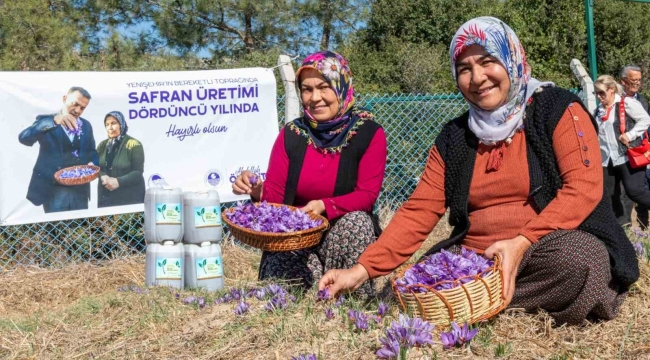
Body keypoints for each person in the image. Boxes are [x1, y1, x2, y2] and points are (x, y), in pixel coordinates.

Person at [318, 17, 639, 325]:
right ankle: (482, 296)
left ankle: (471, 300)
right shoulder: (454, 137)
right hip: (477, 260)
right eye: (464, 69)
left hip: (545, 249)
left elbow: (583, 187)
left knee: (579, 262)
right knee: (405, 286)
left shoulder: (557, 108)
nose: (477, 77)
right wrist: (362, 270)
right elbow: (420, 209)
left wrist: (522, 242)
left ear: (512, 58)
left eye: (488, 62)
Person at [232, 51, 387, 297]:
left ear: (341, 87)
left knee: (357, 222)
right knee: (283, 293)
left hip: (341, 237)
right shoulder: (291, 135)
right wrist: (256, 190)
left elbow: (367, 195)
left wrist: (323, 206)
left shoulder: (368, 134)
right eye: (306, 89)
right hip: (296, 242)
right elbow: (275, 197)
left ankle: (354, 297)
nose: (315, 98)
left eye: (324, 87)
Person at [19, 87, 99, 213]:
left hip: (80, 190)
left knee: (78, 230)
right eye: (75, 104)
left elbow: (92, 152)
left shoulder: (87, 125)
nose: (78, 110)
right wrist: (55, 121)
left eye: (83, 108)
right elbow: (24, 138)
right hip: (53, 190)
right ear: (64, 99)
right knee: (56, 230)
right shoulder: (46, 121)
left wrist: (93, 163)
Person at [593, 75, 650, 227]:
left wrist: (630, 135)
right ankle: (622, 225)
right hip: (607, 159)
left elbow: (645, 119)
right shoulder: (598, 111)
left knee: (635, 191)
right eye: (596, 93)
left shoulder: (626, 103)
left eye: (601, 93)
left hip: (628, 155)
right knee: (610, 194)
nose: (599, 96)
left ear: (611, 90)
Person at [619, 65, 650, 228]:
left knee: (639, 189)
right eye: (634, 80)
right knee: (624, 192)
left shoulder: (642, 100)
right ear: (623, 81)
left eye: (639, 80)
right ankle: (627, 226)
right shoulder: (615, 98)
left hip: (639, 151)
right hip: (621, 153)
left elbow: (646, 124)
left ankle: (642, 225)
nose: (637, 83)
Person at [96, 111, 145, 208]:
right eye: (107, 124)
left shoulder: (134, 144)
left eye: (114, 123)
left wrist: (118, 182)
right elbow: (95, 167)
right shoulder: (102, 145)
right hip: (106, 198)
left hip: (129, 198)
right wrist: (102, 175)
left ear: (121, 124)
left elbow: (138, 172)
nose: (110, 128)